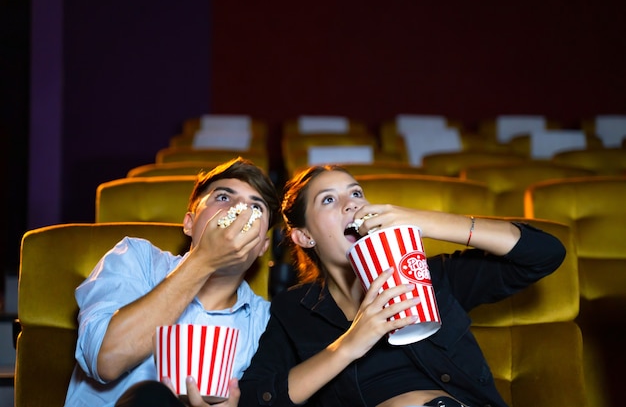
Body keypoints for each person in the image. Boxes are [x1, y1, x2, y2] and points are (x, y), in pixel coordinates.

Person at [238, 165, 566, 407]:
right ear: (304, 236)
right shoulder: (292, 309)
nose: (351, 204)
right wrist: (350, 344)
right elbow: (258, 399)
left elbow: (545, 254)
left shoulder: (432, 276)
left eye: (356, 193)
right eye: (328, 200)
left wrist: (424, 221)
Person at [64, 157, 280, 407]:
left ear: (263, 246)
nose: (240, 212)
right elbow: (107, 360)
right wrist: (204, 260)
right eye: (223, 197)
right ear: (189, 223)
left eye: (256, 208)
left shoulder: (265, 323)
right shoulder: (135, 257)